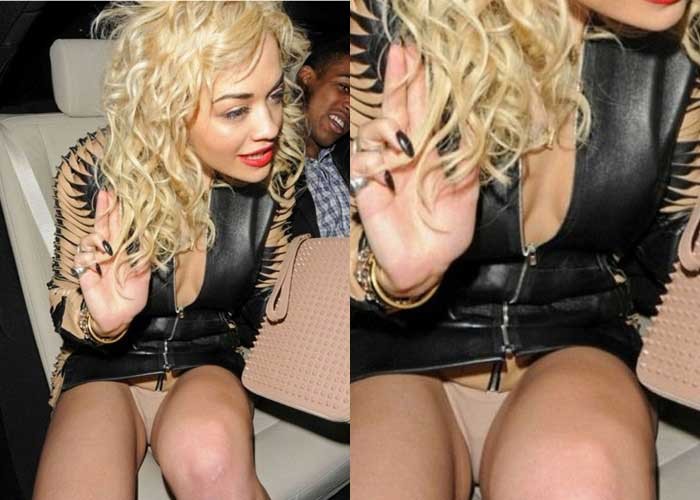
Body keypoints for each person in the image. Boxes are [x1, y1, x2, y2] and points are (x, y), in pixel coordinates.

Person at [349, 0, 700, 498]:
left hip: (579, 344)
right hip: (393, 352)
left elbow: (673, 251)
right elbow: (329, 235)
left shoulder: (684, 42)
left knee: (585, 473)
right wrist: (393, 276)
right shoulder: (386, 18)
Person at [33, 3, 308, 499]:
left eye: (275, 95)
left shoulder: (274, 177)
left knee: (211, 462)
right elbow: (64, 299)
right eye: (236, 109)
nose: (269, 125)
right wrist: (106, 321)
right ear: (170, 104)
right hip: (103, 368)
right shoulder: (93, 169)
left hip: (207, 360)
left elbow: (264, 309)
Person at [292, 36, 351, 238]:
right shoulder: (270, 170)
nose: (351, 105)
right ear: (307, 77)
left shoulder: (352, 162)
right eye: (344, 87)